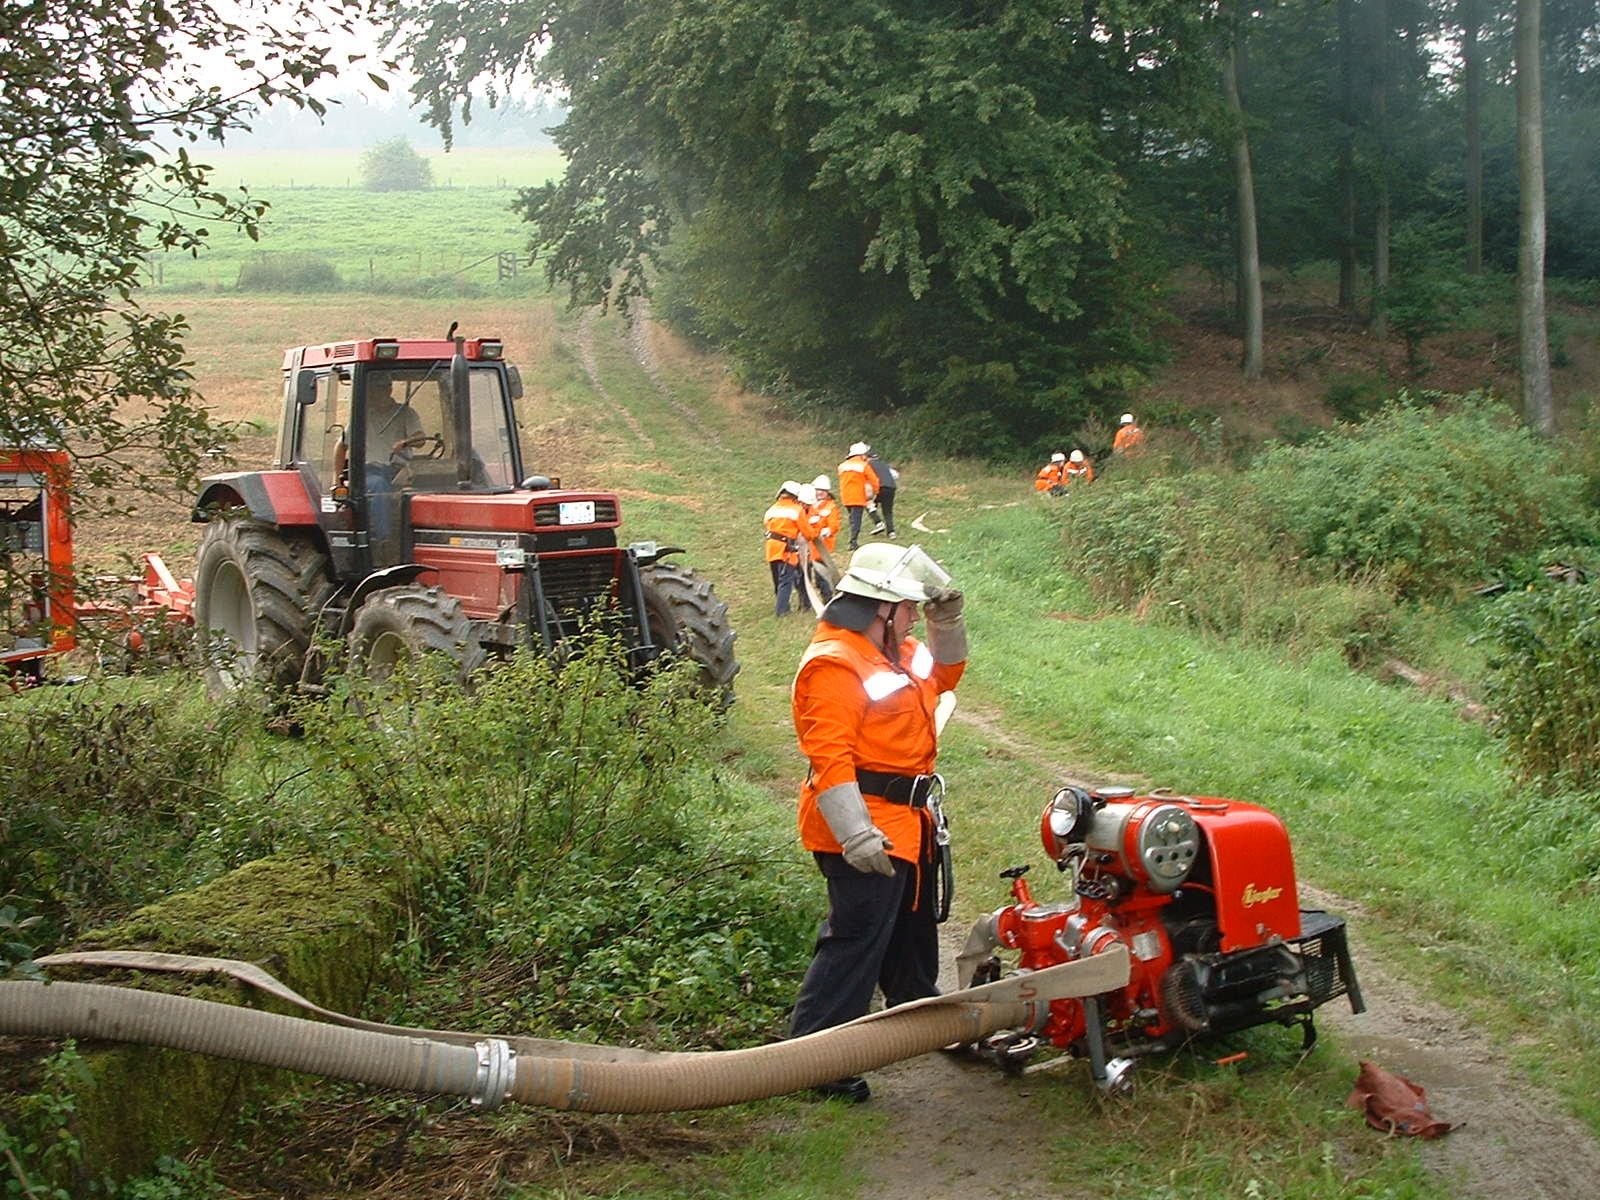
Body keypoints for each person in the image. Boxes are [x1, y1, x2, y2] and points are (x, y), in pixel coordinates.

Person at [788, 542, 968, 1103]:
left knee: (911, 929)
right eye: (910, 607)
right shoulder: (834, 663)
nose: (915, 615)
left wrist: (947, 624)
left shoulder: (902, 650)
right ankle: (815, 1060)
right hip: (863, 824)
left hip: (909, 821)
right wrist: (856, 833)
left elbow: (947, 676)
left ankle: (917, 1014)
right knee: (856, 939)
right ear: (881, 608)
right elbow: (830, 758)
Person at [763, 481, 807, 617]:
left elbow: (766, 524)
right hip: (786, 550)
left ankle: (782, 606)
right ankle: (782, 611)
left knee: (777, 579)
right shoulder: (797, 510)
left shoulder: (772, 509)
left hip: (772, 547)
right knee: (786, 581)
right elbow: (807, 532)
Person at [837, 442, 880, 551]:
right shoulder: (863, 465)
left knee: (852, 518)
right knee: (856, 520)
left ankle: (852, 538)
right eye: (865, 454)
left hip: (846, 497)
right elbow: (874, 480)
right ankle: (853, 542)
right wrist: (875, 492)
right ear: (861, 455)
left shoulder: (842, 466)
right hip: (858, 497)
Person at [865, 447, 898, 539]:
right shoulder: (884, 464)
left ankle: (878, 523)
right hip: (891, 487)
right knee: (887, 511)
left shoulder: (868, 464)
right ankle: (891, 532)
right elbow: (896, 475)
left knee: (869, 504)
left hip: (879, 487)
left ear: (868, 457)